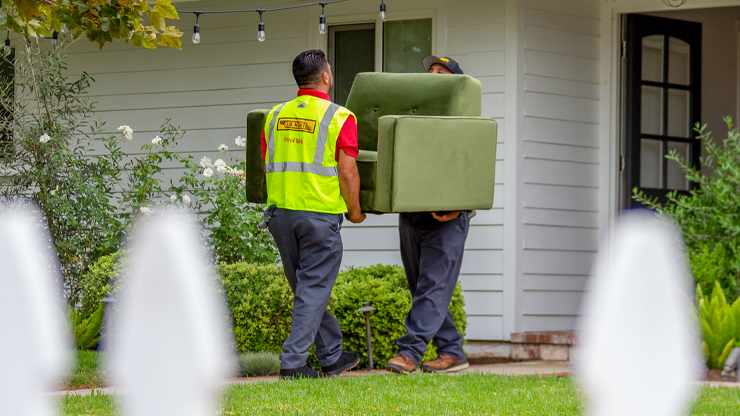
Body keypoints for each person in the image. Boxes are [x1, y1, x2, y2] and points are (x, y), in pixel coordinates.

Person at [260, 49, 366, 380]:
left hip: (281, 216)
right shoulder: (340, 117)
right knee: (311, 291)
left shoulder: (275, 115)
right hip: (319, 218)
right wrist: (355, 211)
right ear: (326, 76)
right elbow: (348, 173)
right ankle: (293, 365)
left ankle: (331, 355)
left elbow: (267, 161)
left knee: (307, 290)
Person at [385, 55, 471, 375]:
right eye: (430, 70)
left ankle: (409, 353)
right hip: (411, 215)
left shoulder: (465, 119)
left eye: (441, 71)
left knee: (433, 287)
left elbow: (473, 165)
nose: (433, 74)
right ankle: (452, 352)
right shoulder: (412, 117)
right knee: (424, 287)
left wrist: (462, 205)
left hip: (446, 220)